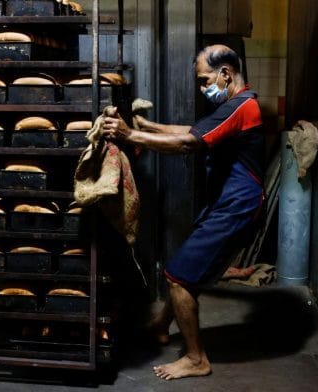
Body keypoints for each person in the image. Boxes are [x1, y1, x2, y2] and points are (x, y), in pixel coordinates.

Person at [102, 44, 265, 380]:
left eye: (206, 80)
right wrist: (147, 125)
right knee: (188, 269)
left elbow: (189, 144)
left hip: (237, 205)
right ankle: (160, 327)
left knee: (178, 277)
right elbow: (191, 132)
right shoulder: (236, 104)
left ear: (226, 73)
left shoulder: (242, 106)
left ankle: (196, 359)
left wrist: (130, 134)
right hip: (226, 201)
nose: (203, 87)